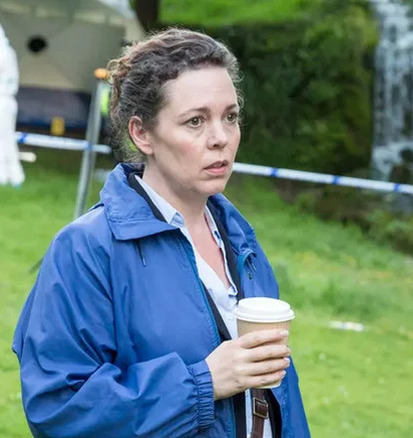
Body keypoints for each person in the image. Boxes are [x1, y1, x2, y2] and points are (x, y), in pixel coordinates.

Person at [13, 29, 310, 438]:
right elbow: (58, 411)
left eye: (230, 116)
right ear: (142, 134)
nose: (221, 138)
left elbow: (282, 399)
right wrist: (203, 383)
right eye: (195, 121)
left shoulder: (240, 240)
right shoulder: (87, 249)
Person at [0, 23, 24, 187]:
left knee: (6, 140)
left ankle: (15, 176)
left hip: (3, 100)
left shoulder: (3, 53)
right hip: (7, 100)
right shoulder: (9, 51)